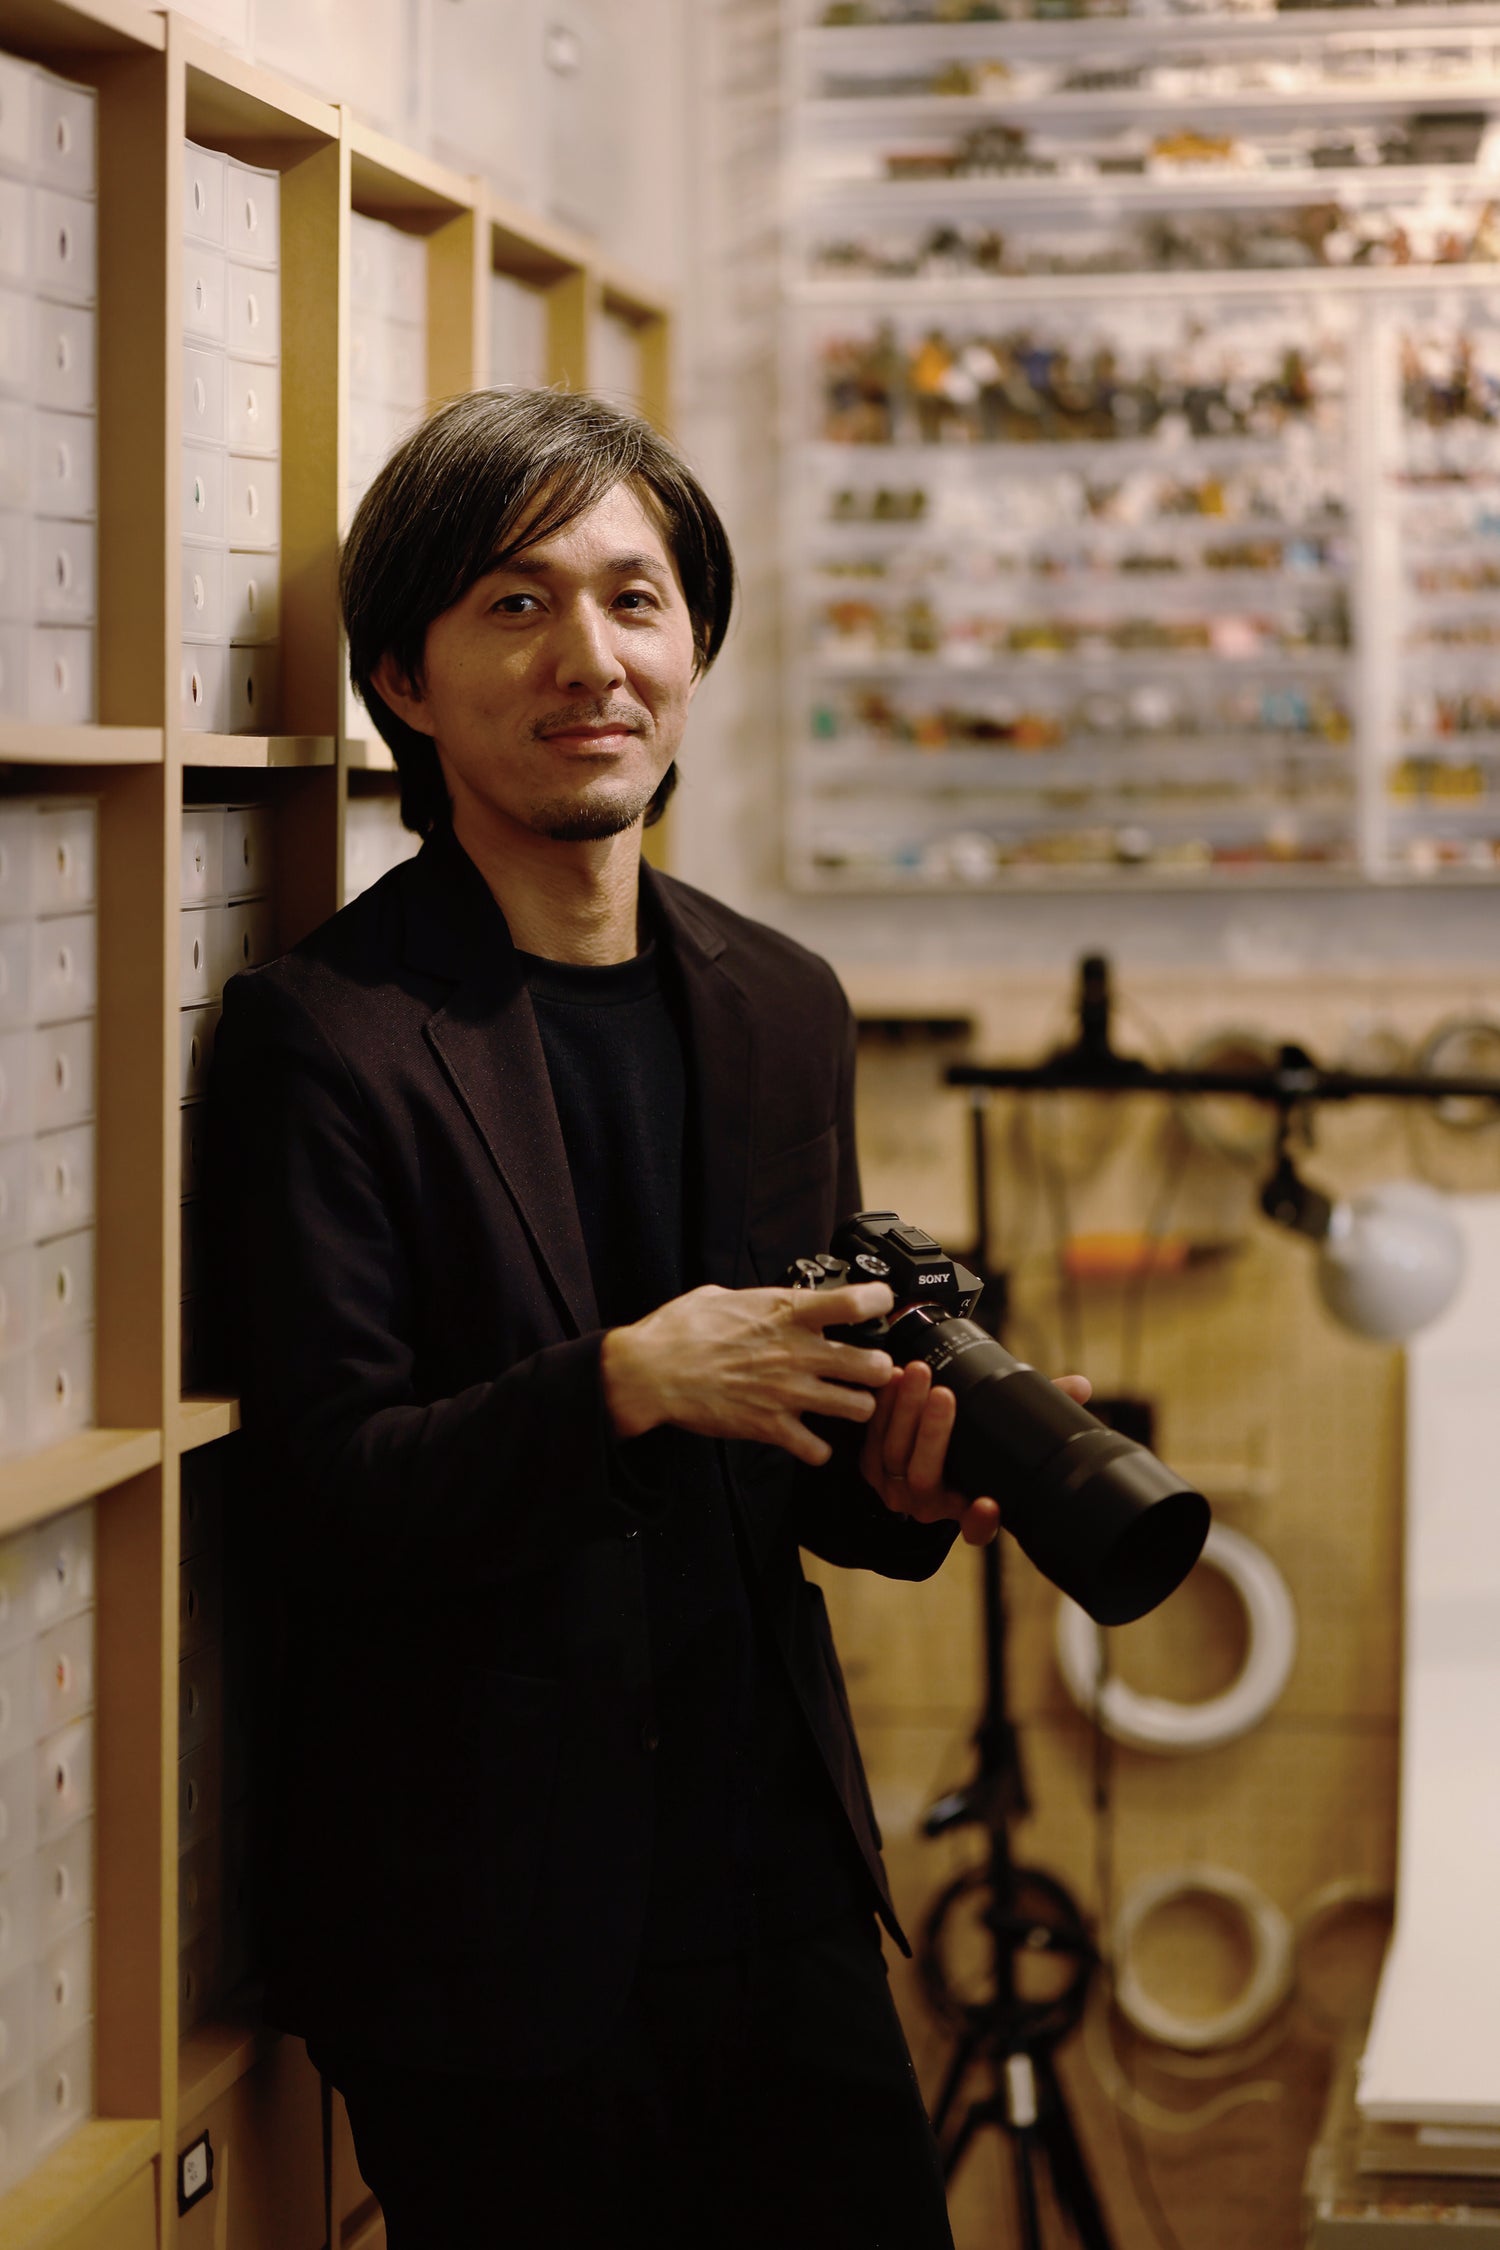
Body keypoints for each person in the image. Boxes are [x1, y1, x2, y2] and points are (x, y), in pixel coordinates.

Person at [212, 388, 1088, 2249]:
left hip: (776, 1881)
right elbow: (325, 1493)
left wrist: (894, 1488)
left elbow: (784, 1468)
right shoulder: (327, 1035)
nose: (589, 658)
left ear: (695, 647)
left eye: (634, 598)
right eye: (516, 604)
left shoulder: (782, 1000)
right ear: (406, 678)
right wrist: (623, 1381)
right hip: (484, 1938)